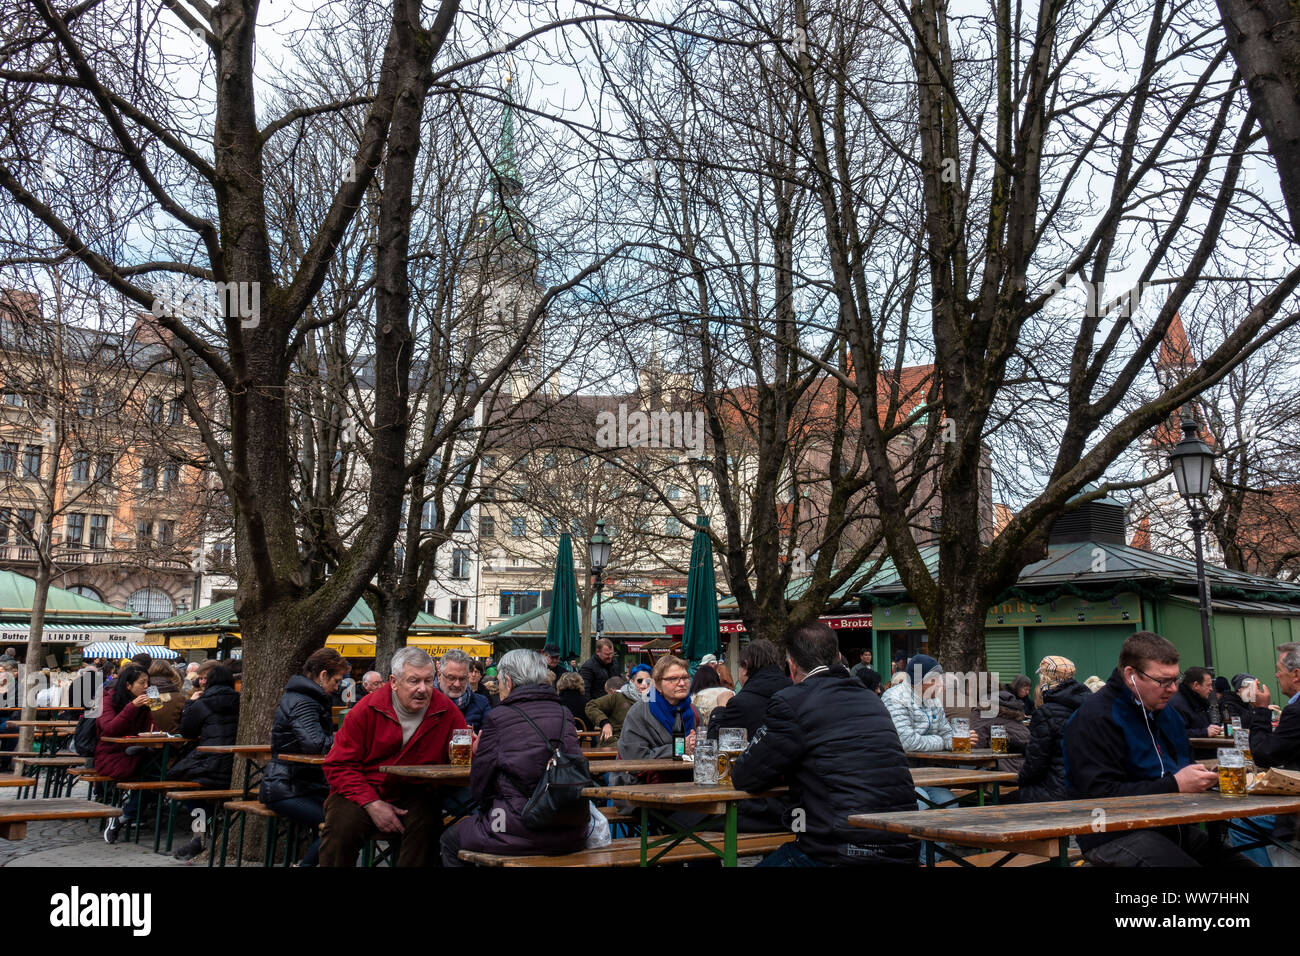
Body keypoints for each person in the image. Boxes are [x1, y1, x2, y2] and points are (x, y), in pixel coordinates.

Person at [731, 622, 918, 866]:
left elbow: (745, 775)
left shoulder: (792, 701)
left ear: (792, 665)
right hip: (903, 845)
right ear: (839, 657)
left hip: (840, 851)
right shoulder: (871, 699)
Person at [1064, 631, 1252, 866]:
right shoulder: (1095, 718)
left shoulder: (1168, 714)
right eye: (1163, 681)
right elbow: (1099, 795)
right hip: (1111, 831)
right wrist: (1175, 784)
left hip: (1172, 826)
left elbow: (1180, 766)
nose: (1173, 689)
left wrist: (1201, 777)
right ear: (1131, 675)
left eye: (1175, 679)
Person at [319, 647, 467, 867]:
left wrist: (475, 750)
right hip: (362, 788)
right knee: (341, 830)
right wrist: (372, 803)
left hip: (415, 791)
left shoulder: (446, 710)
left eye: (428, 681)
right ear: (394, 681)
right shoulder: (367, 709)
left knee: (427, 824)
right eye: (414, 681)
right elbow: (338, 765)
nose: (423, 689)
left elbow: (458, 759)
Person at [440, 649, 589, 865]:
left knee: (449, 840)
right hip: (571, 828)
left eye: (500, 682)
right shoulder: (564, 713)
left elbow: (480, 782)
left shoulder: (499, 717)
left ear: (508, 681)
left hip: (516, 829)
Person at [257, 648, 349, 866]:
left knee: (350, 814)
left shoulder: (306, 698)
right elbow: (315, 744)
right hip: (285, 788)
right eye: (336, 681)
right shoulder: (303, 701)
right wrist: (346, 736)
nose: (337, 687)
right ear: (323, 675)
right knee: (336, 826)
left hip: (300, 784)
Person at [1244, 642, 1300, 865]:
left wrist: (1260, 710)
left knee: (1242, 822)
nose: (1276, 675)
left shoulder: (1296, 711)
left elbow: (1264, 755)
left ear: (1296, 674)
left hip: (1296, 810)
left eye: (1279, 669)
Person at [882, 654, 955, 809]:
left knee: (950, 804)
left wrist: (958, 740)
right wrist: (941, 741)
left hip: (926, 775)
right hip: (898, 776)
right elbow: (906, 742)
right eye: (936, 680)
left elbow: (947, 733)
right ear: (923, 682)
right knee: (922, 803)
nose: (941, 685)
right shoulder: (894, 698)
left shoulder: (933, 699)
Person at [1017, 656, 1089, 803]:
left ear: (1045, 679)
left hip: (1056, 791)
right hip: (1088, 788)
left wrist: (1019, 780)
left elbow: (1035, 765)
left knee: (998, 805)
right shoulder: (1090, 705)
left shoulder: (1046, 712)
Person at [97, 664, 154, 843]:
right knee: (152, 776)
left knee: (158, 776)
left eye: (148, 683)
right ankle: (123, 816)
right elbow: (109, 729)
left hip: (135, 754)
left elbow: (150, 729)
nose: (147, 687)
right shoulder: (107, 700)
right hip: (110, 755)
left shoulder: (145, 702)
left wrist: (155, 714)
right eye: (142, 683)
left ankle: (122, 817)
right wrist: (131, 707)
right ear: (128, 685)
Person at [617, 655, 697, 759]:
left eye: (685, 678)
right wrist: (678, 749)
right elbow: (633, 756)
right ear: (658, 685)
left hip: (687, 773)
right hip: (647, 774)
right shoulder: (640, 712)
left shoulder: (694, 711)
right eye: (673, 679)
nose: (682, 683)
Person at [586, 667, 649, 744]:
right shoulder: (618, 696)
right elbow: (591, 706)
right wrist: (604, 723)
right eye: (640, 681)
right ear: (632, 681)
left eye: (648, 681)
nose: (644, 684)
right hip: (618, 742)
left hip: (643, 745)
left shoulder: (653, 700)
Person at [438, 649, 490, 731]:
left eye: (462, 679)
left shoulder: (481, 703)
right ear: (439, 676)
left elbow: (489, 737)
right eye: (451, 678)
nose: (457, 684)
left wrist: (477, 740)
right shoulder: (427, 702)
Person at [1168, 666, 1223, 738]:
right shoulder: (1177, 704)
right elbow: (1175, 734)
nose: (1211, 689)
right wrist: (1205, 732)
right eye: (1208, 685)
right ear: (1196, 685)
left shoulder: (1198, 700)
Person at [145, 661, 186, 733]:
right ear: (171, 673)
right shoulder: (179, 697)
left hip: (146, 740)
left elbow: (157, 716)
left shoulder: (148, 692)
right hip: (173, 740)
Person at [578, 638, 624, 702]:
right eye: (607, 654)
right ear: (598, 652)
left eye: (612, 653)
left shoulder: (615, 663)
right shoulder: (588, 668)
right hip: (598, 706)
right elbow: (585, 692)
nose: (610, 657)